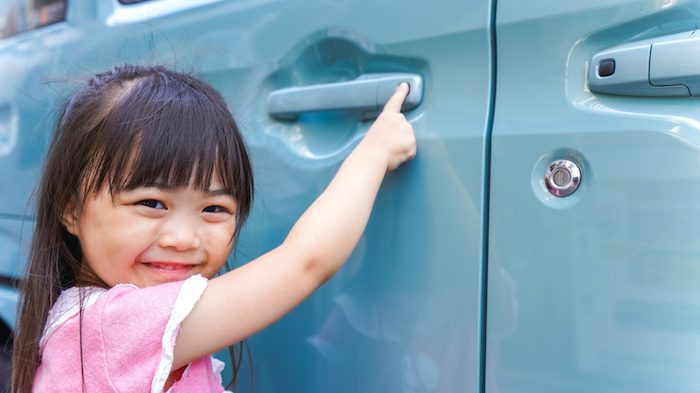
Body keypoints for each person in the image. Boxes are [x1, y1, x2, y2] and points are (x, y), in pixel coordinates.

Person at [10, 64, 416, 392]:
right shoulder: (111, 327)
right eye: (151, 203)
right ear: (70, 210)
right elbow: (305, 262)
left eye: (214, 208)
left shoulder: (92, 320)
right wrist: (375, 152)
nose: (184, 239)